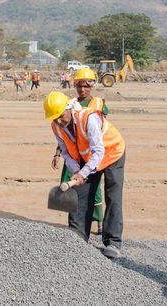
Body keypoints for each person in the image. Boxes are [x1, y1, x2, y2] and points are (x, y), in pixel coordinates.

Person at [44, 91, 126, 259]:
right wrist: (76, 171)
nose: (59, 121)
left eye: (61, 116)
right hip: (87, 157)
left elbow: (99, 151)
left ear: (69, 109)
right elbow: (66, 152)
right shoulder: (56, 126)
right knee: (80, 196)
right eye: (54, 118)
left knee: (113, 195)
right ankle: (77, 237)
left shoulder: (88, 118)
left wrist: (84, 172)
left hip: (112, 153)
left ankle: (112, 242)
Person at [51, 68, 108, 234]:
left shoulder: (98, 104)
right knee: (72, 186)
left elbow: (100, 132)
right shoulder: (69, 104)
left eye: (86, 86)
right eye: (79, 86)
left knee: (94, 190)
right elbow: (63, 132)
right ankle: (75, 224)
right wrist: (58, 153)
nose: (82, 90)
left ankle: (99, 222)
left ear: (91, 86)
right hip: (73, 155)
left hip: (91, 155)